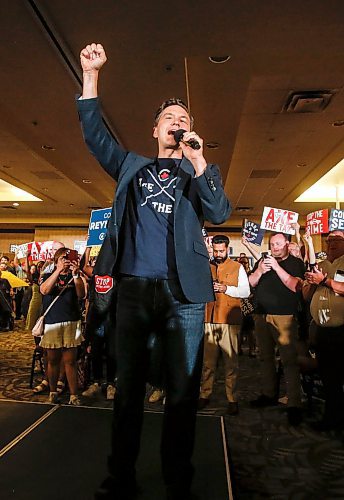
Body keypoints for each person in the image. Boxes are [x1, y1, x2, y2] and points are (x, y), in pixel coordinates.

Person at [77, 42, 231, 500]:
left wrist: (200, 160)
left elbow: (220, 213)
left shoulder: (198, 175)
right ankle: (121, 476)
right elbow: (94, 136)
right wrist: (91, 76)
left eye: (185, 120)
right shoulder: (131, 167)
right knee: (129, 394)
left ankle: (177, 480)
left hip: (184, 297)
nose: (178, 123)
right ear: (154, 130)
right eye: (171, 119)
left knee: (182, 393)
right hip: (134, 292)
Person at [249, 232, 305, 426]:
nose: (274, 247)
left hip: (285, 317)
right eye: (272, 244)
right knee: (265, 358)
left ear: (287, 245)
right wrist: (260, 272)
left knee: (289, 361)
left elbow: (296, 287)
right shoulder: (262, 262)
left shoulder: (295, 263)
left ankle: (294, 404)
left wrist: (277, 268)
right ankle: (268, 394)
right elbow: (250, 283)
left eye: (279, 244)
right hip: (261, 315)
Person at [198, 235, 250, 415]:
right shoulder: (206, 266)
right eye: (215, 250)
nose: (218, 254)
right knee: (208, 362)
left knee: (231, 362)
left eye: (221, 250)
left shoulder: (238, 267)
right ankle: (205, 394)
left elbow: (246, 291)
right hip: (209, 317)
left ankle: (232, 398)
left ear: (227, 249)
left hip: (229, 320)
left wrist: (226, 289)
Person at [303, 229, 344, 431]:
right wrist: (312, 283)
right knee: (329, 378)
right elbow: (306, 295)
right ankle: (332, 417)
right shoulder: (321, 265)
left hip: (341, 331)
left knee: (338, 377)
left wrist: (324, 281)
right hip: (322, 331)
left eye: (337, 240)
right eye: (329, 241)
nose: (331, 244)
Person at [39, 248, 85, 405]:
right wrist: (58, 270)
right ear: (56, 260)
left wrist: (76, 274)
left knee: (70, 361)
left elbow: (81, 295)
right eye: (62, 259)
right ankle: (53, 391)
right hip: (52, 322)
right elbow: (44, 290)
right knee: (52, 360)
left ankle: (73, 395)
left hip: (71, 322)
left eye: (68, 258)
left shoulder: (75, 276)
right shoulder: (47, 275)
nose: (66, 261)